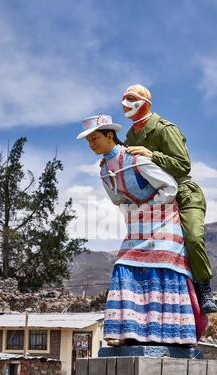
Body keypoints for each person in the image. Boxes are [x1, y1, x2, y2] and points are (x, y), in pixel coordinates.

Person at [76, 115, 207, 347]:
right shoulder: (105, 170)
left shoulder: (135, 160)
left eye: (94, 138)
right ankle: (128, 331)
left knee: (162, 264)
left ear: (110, 136)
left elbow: (170, 186)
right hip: (138, 224)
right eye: (88, 141)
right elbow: (117, 199)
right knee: (124, 265)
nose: (91, 145)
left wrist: (148, 207)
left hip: (164, 220)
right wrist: (131, 210)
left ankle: (174, 333)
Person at [121, 84, 217, 314]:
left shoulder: (165, 129)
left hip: (183, 193)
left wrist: (152, 155)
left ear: (145, 102)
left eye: (131, 98)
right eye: (123, 99)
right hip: (155, 200)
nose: (125, 104)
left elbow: (183, 165)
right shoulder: (131, 135)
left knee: (193, 237)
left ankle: (204, 288)